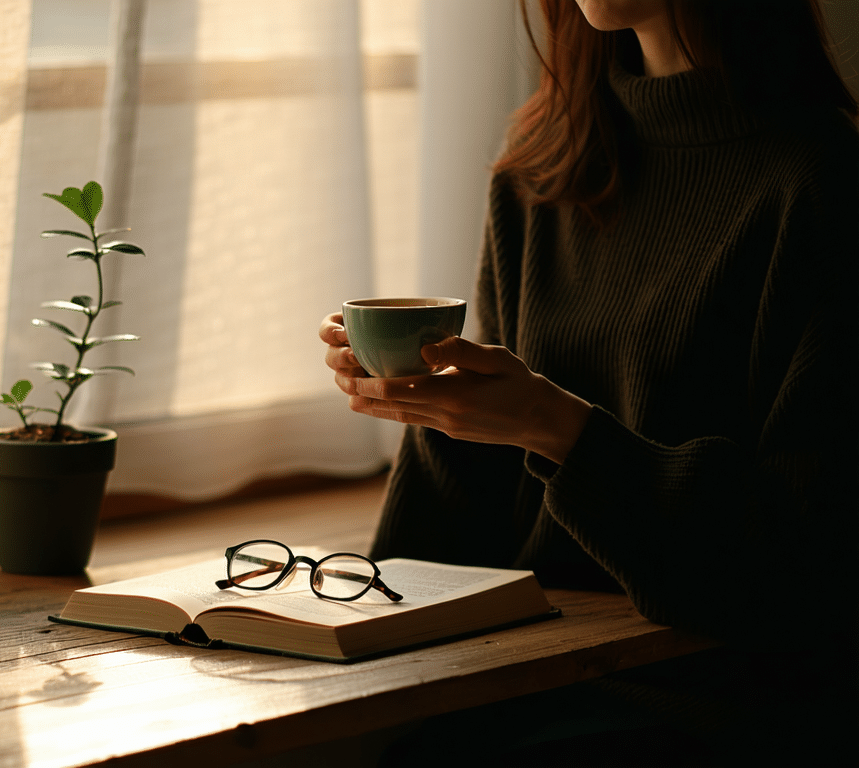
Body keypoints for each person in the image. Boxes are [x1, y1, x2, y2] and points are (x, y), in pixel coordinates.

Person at [321, 0, 858, 764]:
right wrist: (423, 395)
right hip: (516, 682)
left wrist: (557, 427)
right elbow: (467, 512)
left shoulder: (824, 184)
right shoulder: (544, 166)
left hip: (711, 704)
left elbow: (799, 569)